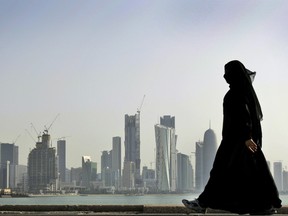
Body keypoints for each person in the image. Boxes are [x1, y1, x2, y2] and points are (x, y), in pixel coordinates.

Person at [182, 60, 282, 215]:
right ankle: (262, 207)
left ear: (235, 75)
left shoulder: (237, 93)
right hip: (237, 140)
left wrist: (247, 137)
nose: (224, 76)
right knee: (249, 174)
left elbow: (245, 117)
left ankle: (202, 203)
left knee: (221, 172)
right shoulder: (239, 92)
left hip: (237, 142)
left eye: (227, 72)